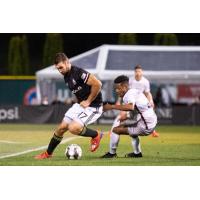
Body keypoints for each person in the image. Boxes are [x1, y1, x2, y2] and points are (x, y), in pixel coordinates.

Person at [35, 53, 103, 160]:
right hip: (80, 105)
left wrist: (88, 101)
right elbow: (80, 90)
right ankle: (48, 154)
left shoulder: (78, 72)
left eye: (61, 67)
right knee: (61, 128)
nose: (60, 70)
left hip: (93, 106)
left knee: (73, 128)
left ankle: (96, 135)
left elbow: (98, 84)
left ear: (67, 62)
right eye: (57, 69)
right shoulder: (66, 76)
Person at [101, 65, 158, 158]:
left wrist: (111, 106)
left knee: (115, 130)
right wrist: (127, 116)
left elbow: (131, 107)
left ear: (124, 87)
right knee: (129, 130)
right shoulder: (134, 91)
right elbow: (137, 108)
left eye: (118, 88)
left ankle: (111, 154)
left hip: (146, 125)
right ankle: (137, 153)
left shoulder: (128, 95)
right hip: (150, 120)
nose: (116, 91)